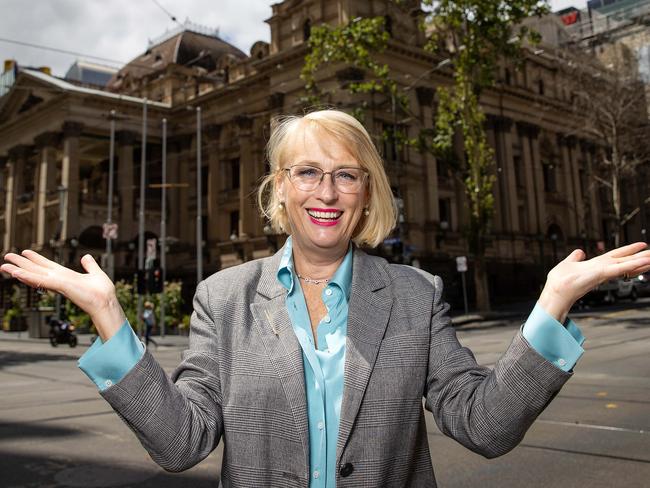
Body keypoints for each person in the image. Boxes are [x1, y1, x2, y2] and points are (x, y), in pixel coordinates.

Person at [2, 109, 649, 487]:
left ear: (366, 192)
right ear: (281, 187)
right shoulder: (222, 296)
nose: (327, 191)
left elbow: (483, 427)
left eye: (346, 174)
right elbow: (181, 443)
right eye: (308, 172)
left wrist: (552, 305)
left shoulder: (414, 294)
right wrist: (109, 319)